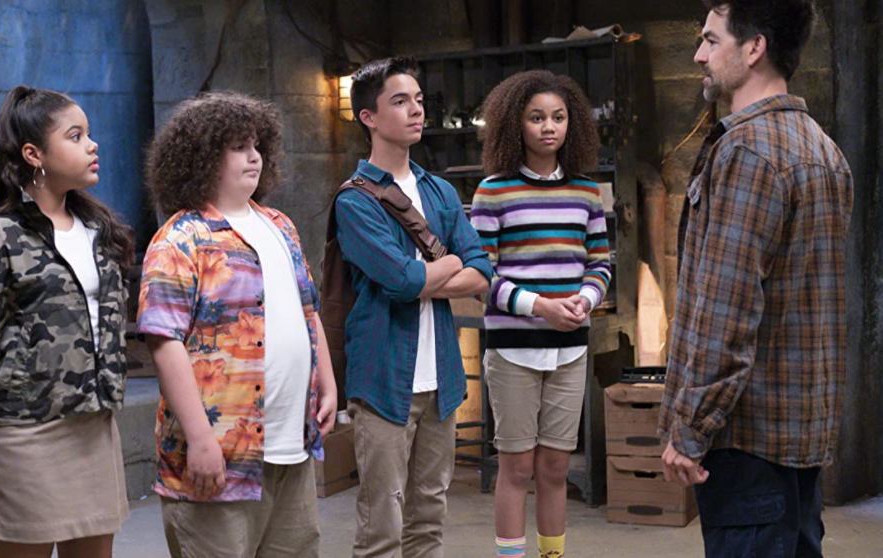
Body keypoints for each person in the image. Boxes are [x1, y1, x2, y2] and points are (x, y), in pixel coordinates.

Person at [658, 1, 853, 556]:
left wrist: (690, 429)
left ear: (754, 48)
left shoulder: (746, 153)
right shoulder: (823, 149)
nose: (698, 55)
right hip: (798, 440)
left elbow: (727, 311)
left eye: (711, 40)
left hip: (746, 443)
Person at [138, 91, 336, 558]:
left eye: (257, 145)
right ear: (203, 158)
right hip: (220, 454)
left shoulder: (280, 225)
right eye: (238, 147)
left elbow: (308, 311)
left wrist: (328, 384)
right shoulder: (180, 238)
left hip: (291, 446)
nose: (254, 157)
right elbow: (164, 343)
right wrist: (200, 438)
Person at [0, 85, 134, 558]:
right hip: (24, 441)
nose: (93, 145)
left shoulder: (99, 232)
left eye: (89, 134)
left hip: (94, 429)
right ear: (33, 154)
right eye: (75, 135)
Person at [334, 56, 492, 558]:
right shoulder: (355, 201)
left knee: (429, 518)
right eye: (400, 101)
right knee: (381, 527)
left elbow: (481, 271)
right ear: (369, 117)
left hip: (441, 380)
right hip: (383, 379)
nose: (416, 110)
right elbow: (402, 282)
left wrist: (432, 274)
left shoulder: (438, 191)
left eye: (419, 100)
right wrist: (449, 265)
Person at [470, 70, 610, 558]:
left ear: (573, 123)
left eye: (558, 117)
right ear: (515, 124)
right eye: (536, 118)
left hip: (570, 349)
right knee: (516, 468)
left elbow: (599, 265)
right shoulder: (493, 191)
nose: (549, 127)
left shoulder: (587, 192)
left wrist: (584, 300)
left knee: (555, 469)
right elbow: (480, 277)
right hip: (513, 351)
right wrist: (540, 307)